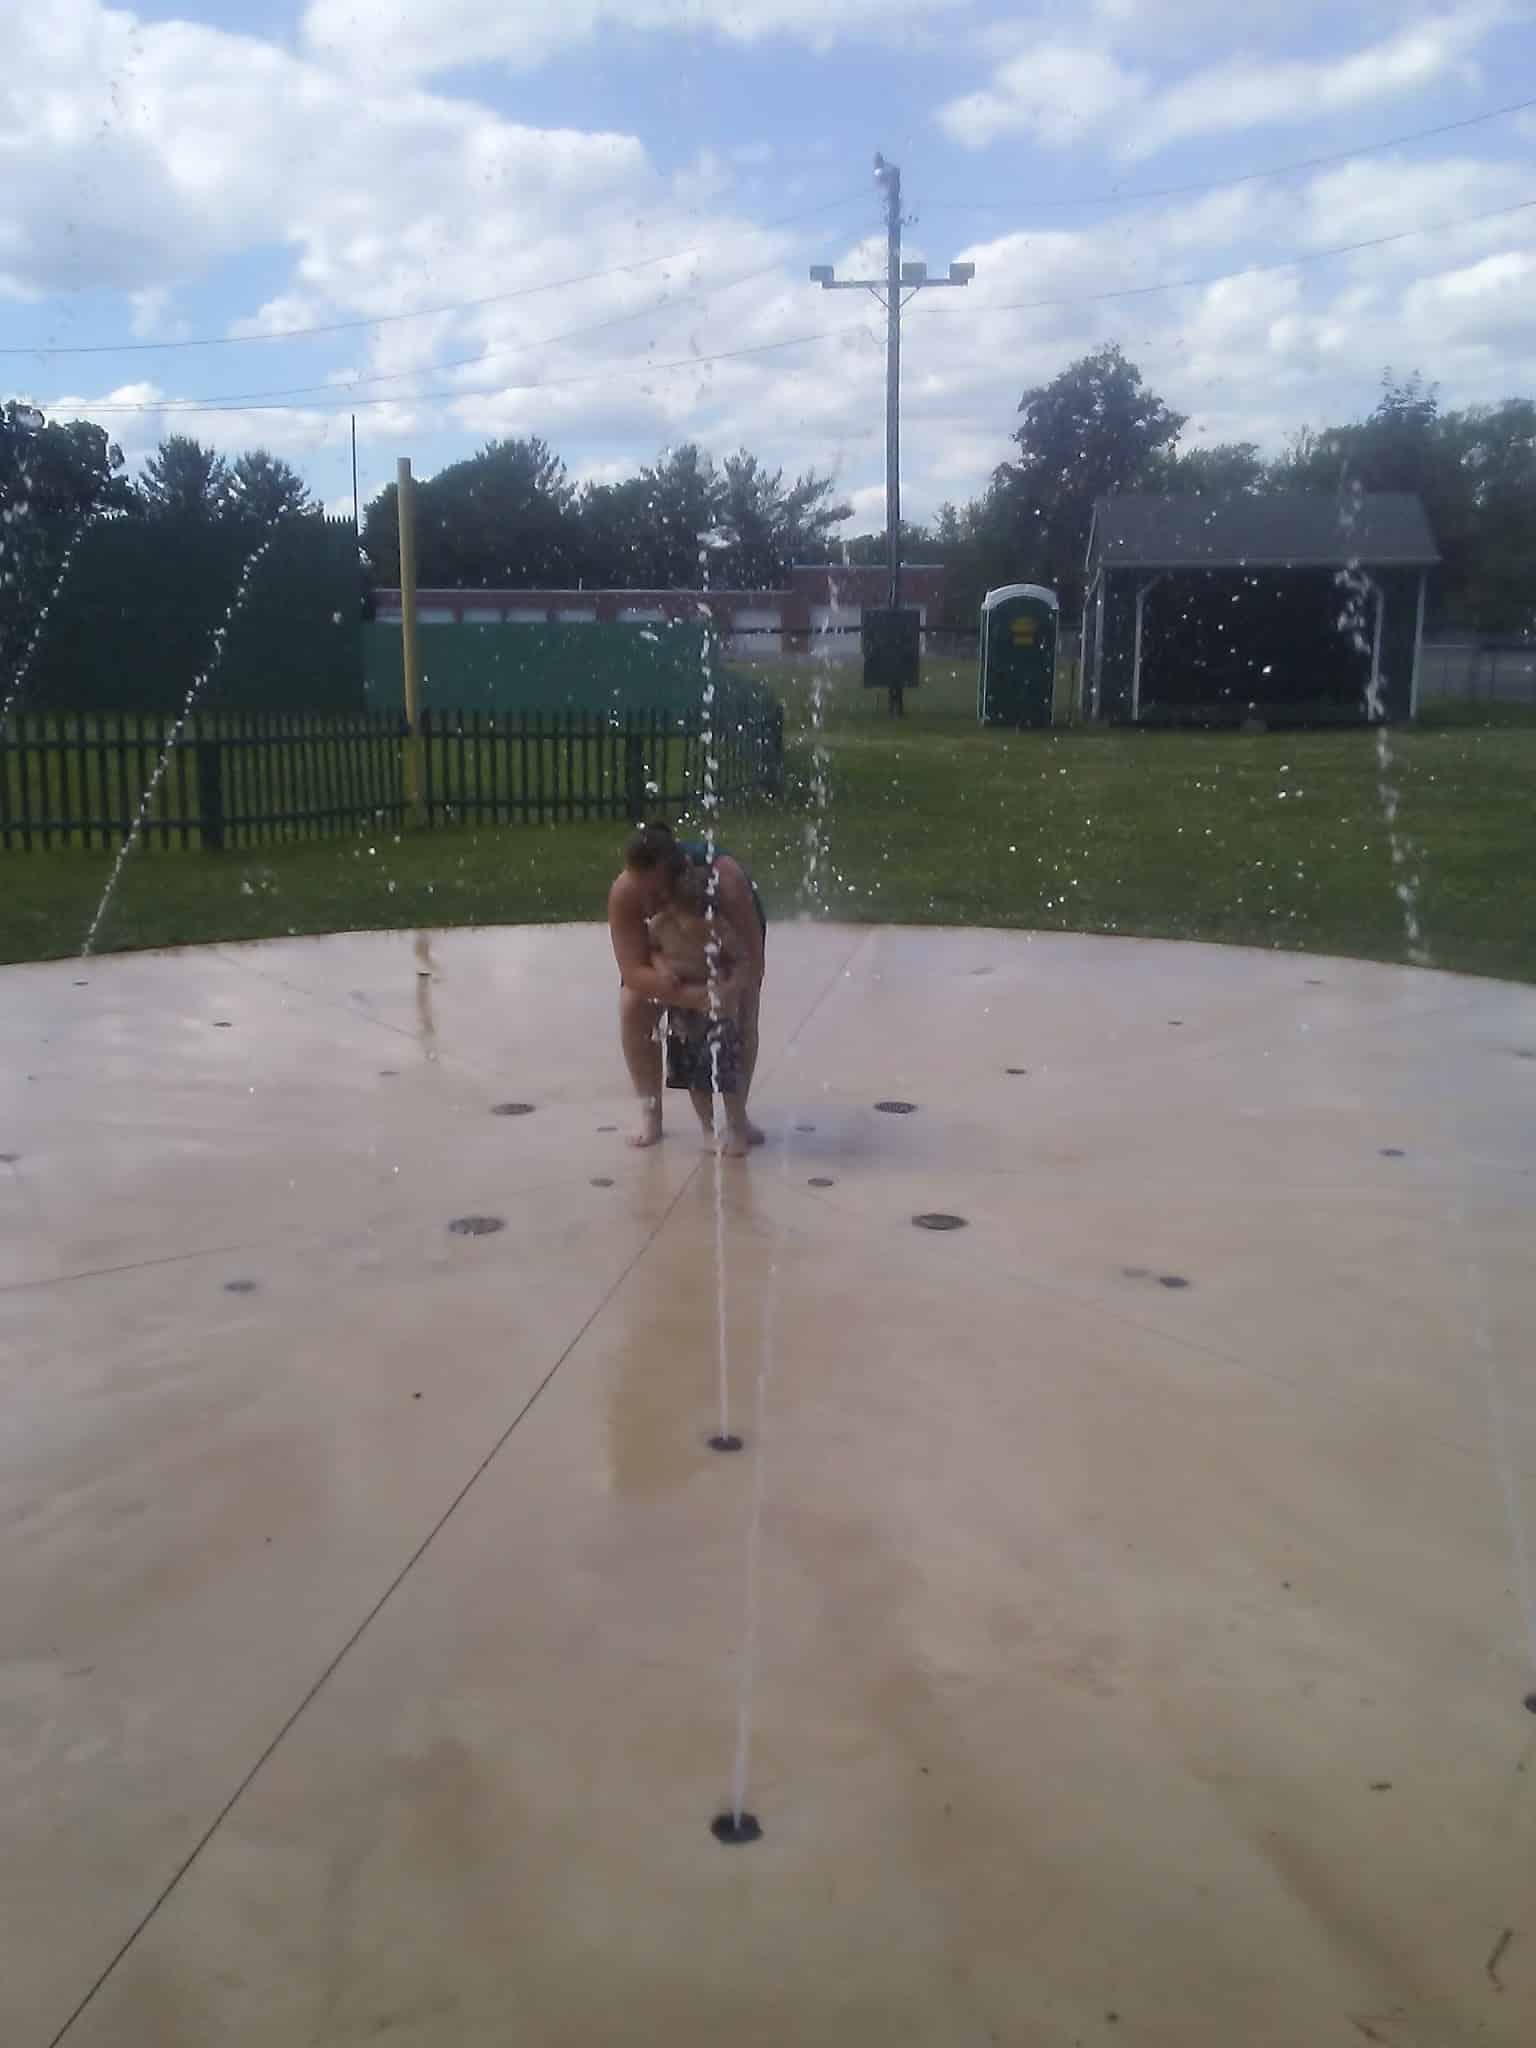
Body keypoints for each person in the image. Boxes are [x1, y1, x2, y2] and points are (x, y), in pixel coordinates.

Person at [608, 822, 766, 1152]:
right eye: (643, 893)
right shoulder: (627, 891)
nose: (647, 902)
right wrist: (692, 998)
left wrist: (727, 992)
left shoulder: (725, 884)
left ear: (675, 879)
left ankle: (737, 1119)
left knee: (743, 1017)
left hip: (729, 951)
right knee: (634, 1004)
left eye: (654, 893)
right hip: (677, 966)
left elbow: (751, 962)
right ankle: (651, 1113)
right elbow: (635, 970)